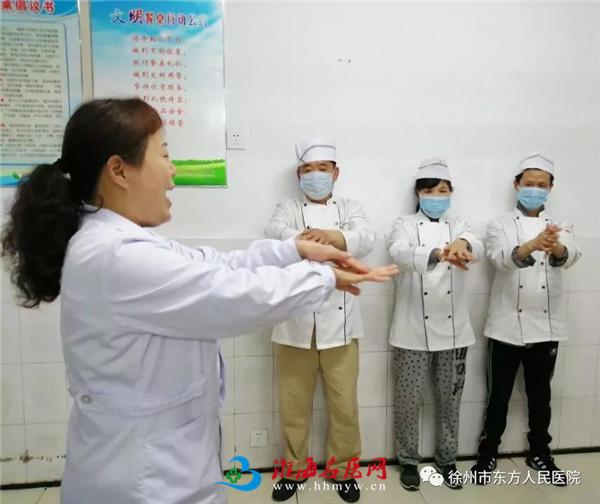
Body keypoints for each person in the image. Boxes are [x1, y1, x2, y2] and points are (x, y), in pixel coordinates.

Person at [0, 99, 398, 504]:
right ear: (118, 170)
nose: (173, 171)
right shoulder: (116, 255)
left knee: (343, 404)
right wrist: (324, 276)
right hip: (143, 482)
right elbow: (231, 295)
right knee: (294, 405)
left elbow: (212, 263)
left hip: (155, 466)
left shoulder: (121, 242)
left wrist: (294, 250)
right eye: (164, 154)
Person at [265, 138, 375, 503]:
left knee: (344, 406)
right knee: (293, 405)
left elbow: (366, 238)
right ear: (299, 175)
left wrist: (333, 236)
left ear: (335, 173)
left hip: (341, 327)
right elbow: (274, 233)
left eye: (322, 169)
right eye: (308, 170)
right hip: (294, 324)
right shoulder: (287, 208)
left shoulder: (350, 208)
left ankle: (343, 470)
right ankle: (294, 470)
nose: (315, 176)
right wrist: (305, 239)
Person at [471, 153, 581, 486]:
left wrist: (556, 247)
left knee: (540, 395)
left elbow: (571, 256)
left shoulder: (562, 224)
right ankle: (488, 452)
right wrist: (531, 245)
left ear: (550, 188)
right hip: (505, 325)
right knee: (498, 395)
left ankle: (540, 453)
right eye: (529, 183)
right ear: (517, 185)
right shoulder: (499, 225)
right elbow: (500, 259)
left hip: (546, 326)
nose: (535, 189)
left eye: (541, 184)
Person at [386, 157, 483, 491]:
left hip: (454, 332)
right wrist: (439, 253)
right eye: (430, 191)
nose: (436, 196)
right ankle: (408, 461)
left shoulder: (460, 224)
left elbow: (476, 245)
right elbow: (399, 252)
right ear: (418, 193)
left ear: (451, 192)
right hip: (411, 329)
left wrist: (462, 245)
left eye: (442, 191)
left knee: (450, 400)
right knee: (408, 401)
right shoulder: (403, 224)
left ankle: (447, 459)